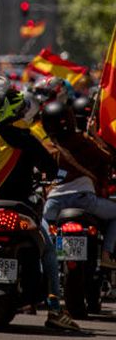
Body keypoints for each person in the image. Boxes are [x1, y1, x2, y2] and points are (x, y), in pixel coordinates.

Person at [0, 81, 79, 331]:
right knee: (50, 252)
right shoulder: (27, 139)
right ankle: (55, 307)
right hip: (22, 210)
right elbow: (51, 169)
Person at [41, 100, 116, 269]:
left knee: (43, 237)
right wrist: (94, 136)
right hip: (85, 201)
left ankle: (45, 267)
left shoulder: (47, 148)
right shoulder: (83, 141)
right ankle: (105, 254)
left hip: (53, 205)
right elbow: (108, 158)